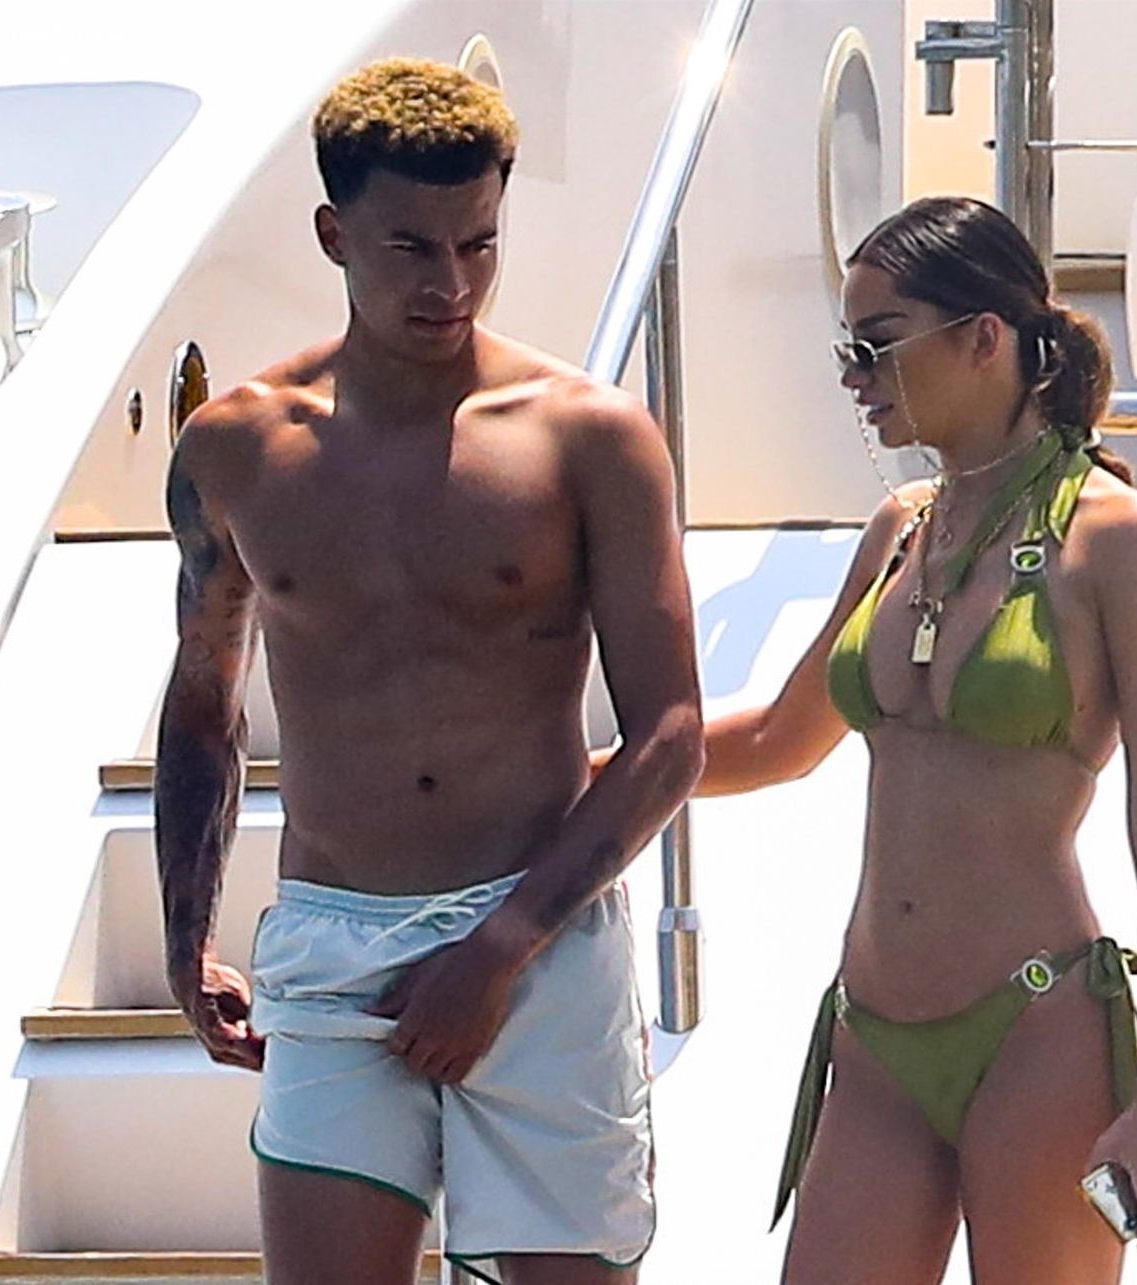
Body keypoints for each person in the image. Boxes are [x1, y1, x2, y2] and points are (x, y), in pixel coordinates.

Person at [153, 58, 704, 1285]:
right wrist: (187, 942)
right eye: (410, 247)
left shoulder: (591, 437)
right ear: (333, 234)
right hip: (333, 943)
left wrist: (500, 947)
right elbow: (202, 709)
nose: (448, 283)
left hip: (539, 938)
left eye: (477, 244)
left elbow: (671, 735)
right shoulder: (235, 450)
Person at [699, 195, 1137, 1282]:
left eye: (878, 344)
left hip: (1039, 1023)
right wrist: (574, 776)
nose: (855, 376)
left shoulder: (1119, 536)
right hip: (873, 1029)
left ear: (983, 337)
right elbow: (780, 739)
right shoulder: (902, 528)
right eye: (847, 349)